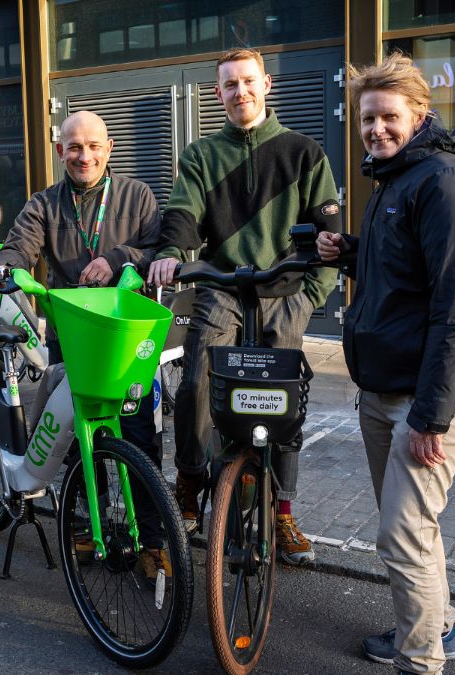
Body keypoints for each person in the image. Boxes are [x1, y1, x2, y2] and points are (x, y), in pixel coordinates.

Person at [317, 52, 455, 674]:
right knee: (414, 529)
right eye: (368, 119)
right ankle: (435, 628)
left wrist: (431, 417)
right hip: (384, 388)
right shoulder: (398, 177)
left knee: (401, 534)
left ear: (419, 114)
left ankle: (420, 663)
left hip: (428, 396)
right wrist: (350, 252)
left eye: (388, 116)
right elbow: (402, 265)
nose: (376, 129)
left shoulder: (445, 180)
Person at [146, 48, 341, 565]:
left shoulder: (304, 152)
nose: (240, 92)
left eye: (248, 82)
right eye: (230, 85)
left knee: (286, 401)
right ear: (218, 93)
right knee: (194, 384)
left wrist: (312, 295)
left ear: (267, 85)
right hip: (223, 290)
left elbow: (331, 235)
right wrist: (169, 254)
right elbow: (183, 212)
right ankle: (189, 482)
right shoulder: (201, 155)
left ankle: (283, 510)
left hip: (284, 294)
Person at [0, 110, 168, 577]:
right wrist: (5, 269)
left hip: (127, 341)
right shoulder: (44, 203)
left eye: (94, 146)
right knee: (78, 438)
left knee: (141, 437)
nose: (85, 156)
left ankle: (154, 542)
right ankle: (83, 524)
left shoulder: (137, 196)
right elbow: (20, 247)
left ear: (109, 148)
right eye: (74, 147)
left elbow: (159, 247)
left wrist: (117, 259)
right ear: (60, 151)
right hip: (72, 338)